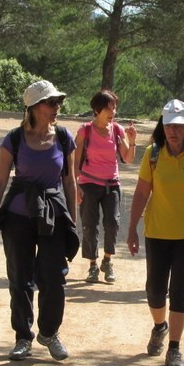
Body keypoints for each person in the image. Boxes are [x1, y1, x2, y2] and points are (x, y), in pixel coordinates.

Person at [0, 80, 79, 362]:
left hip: (52, 215)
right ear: (34, 107)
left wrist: (72, 220)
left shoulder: (63, 137)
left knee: (54, 277)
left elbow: (70, 182)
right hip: (17, 216)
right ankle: (23, 337)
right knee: (20, 278)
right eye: (51, 102)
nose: (56, 106)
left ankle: (49, 333)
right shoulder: (14, 139)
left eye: (57, 101)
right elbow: (0, 180)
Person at [127, 99, 184, 366]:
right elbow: (142, 192)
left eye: (178, 126)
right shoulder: (153, 154)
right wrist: (132, 228)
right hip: (157, 231)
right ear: (162, 125)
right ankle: (160, 326)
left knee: (180, 290)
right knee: (155, 289)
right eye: (168, 125)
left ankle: (175, 348)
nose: (173, 131)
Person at [75, 90, 138, 284]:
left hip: (111, 185)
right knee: (89, 225)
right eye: (108, 108)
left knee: (112, 222)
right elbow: (75, 160)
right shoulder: (85, 130)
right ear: (97, 110)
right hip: (88, 184)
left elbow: (127, 159)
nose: (113, 112)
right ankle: (93, 265)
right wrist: (76, 186)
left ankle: (107, 261)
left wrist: (132, 140)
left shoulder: (117, 130)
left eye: (114, 107)